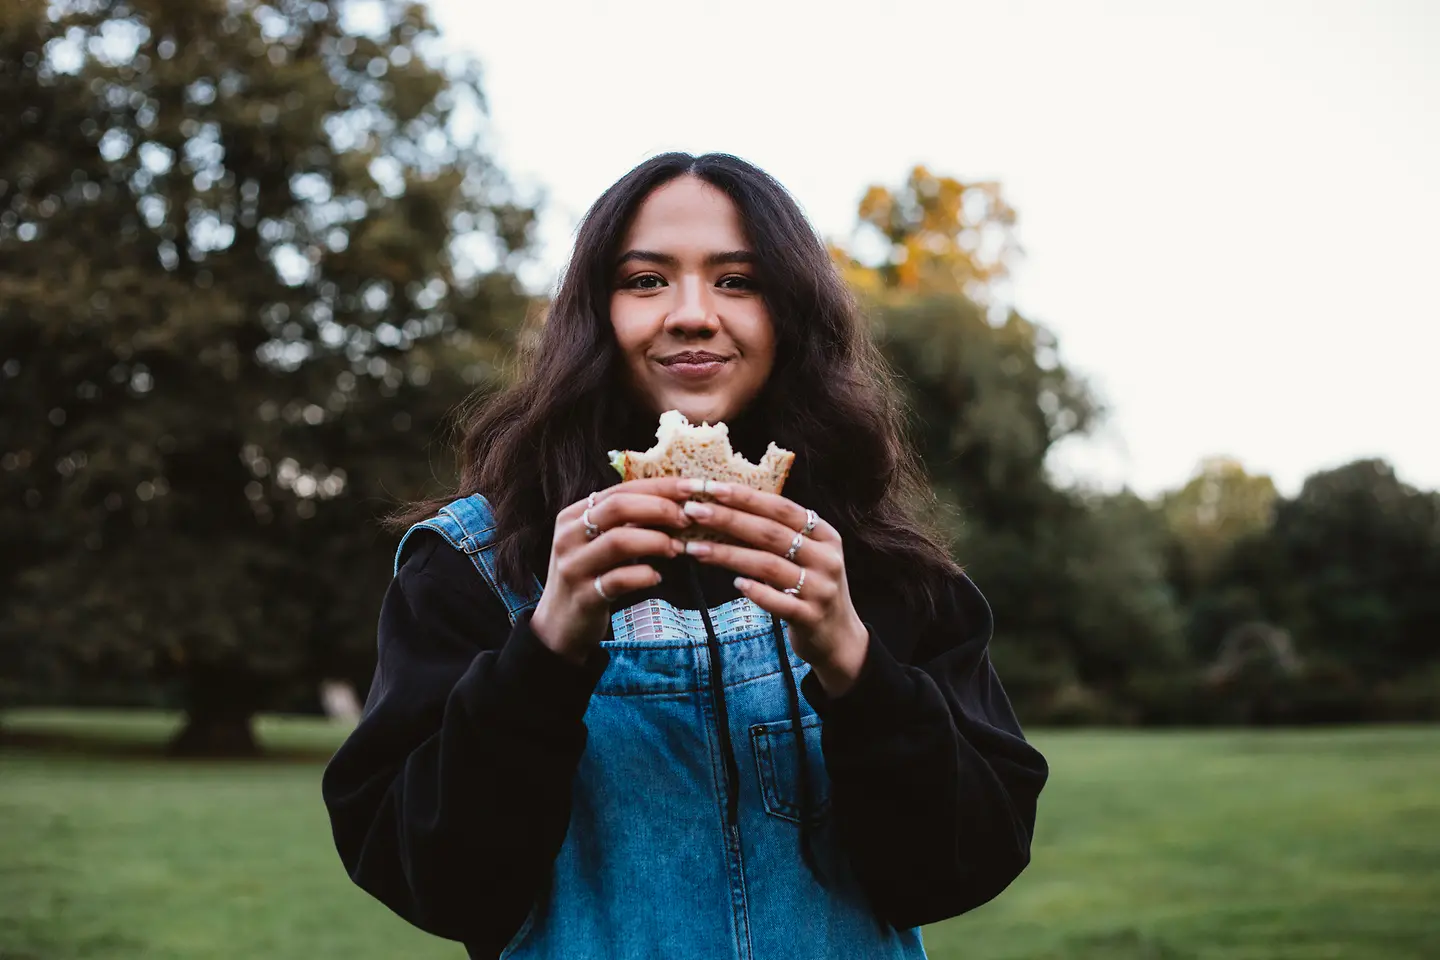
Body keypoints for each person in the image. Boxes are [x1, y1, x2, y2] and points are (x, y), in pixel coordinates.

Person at [321, 153, 1048, 960]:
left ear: (792, 315)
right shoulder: (473, 568)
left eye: (739, 280)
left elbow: (961, 870)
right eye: (645, 280)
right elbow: (433, 881)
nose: (693, 313)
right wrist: (547, 645)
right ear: (594, 314)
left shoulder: (878, 569)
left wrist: (853, 662)